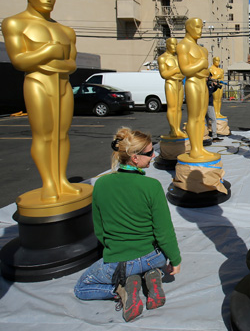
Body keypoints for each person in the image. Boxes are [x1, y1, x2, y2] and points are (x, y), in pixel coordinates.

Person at [74, 127, 181, 322]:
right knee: (146, 262)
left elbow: (99, 229)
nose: (154, 155)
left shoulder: (100, 185)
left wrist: (114, 250)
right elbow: (164, 231)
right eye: (149, 153)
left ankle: (120, 290)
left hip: (119, 262)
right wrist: (175, 259)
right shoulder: (152, 187)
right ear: (134, 157)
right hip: (153, 257)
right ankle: (149, 275)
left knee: (82, 288)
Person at [2, 0, 82, 201]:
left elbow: (72, 64)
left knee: (62, 134)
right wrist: (49, 52)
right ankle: (49, 182)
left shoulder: (65, 30)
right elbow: (19, 61)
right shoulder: (15, 23)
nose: (48, 0)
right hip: (38, 82)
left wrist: (50, 60)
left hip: (63, 84)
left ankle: (62, 180)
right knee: (43, 134)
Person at [176, 17, 217, 161]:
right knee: (193, 117)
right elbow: (186, 70)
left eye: (201, 27)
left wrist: (201, 69)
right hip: (193, 82)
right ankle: (194, 149)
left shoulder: (202, 49)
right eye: (197, 27)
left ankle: (200, 147)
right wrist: (201, 64)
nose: (200, 31)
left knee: (201, 117)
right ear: (188, 27)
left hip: (202, 83)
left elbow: (206, 72)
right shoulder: (183, 46)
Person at [158, 37, 187, 138]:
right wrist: (175, 70)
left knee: (179, 108)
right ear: (167, 45)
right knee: (172, 107)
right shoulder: (162, 58)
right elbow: (164, 74)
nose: (175, 46)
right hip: (171, 83)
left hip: (179, 83)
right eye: (172, 44)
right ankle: (173, 129)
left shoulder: (177, 58)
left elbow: (184, 72)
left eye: (176, 44)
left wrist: (179, 72)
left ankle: (177, 129)